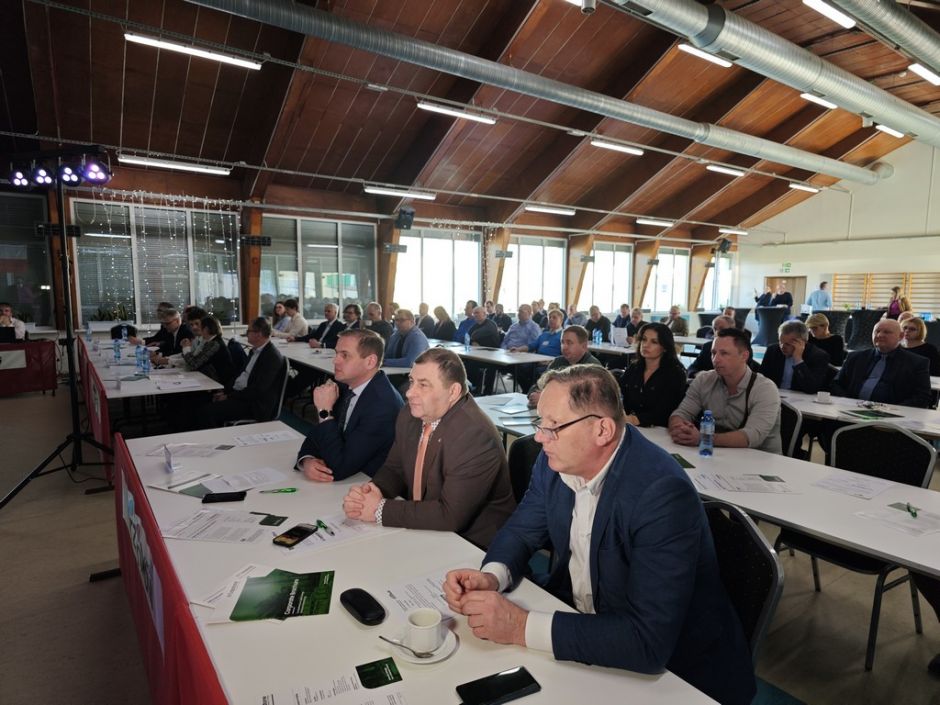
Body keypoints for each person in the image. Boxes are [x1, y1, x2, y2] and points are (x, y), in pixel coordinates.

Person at [443, 365, 756, 705]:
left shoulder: (661, 493)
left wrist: (519, 626)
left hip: (675, 670)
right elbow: (521, 530)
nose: (540, 437)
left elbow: (647, 640)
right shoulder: (553, 462)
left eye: (553, 426)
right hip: (585, 624)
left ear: (602, 429)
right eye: (540, 423)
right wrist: (492, 576)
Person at [342, 348, 516, 548]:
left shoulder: (474, 436)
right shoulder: (411, 414)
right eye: (412, 381)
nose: (409, 392)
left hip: (473, 542)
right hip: (425, 524)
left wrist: (379, 510)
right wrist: (374, 490)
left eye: (423, 385)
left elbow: (451, 516)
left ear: (453, 392)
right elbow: (395, 468)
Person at [295, 329, 404, 482]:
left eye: (345, 355)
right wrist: (307, 459)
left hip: (366, 484)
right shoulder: (346, 384)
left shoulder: (383, 406)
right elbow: (317, 434)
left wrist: (324, 411)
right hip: (344, 481)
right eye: (336, 353)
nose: (335, 361)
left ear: (370, 362)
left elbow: (339, 468)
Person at [669, 328, 782, 454]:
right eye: (713, 353)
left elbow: (751, 437)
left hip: (761, 459)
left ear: (744, 356)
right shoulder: (704, 380)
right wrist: (680, 428)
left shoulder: (765, 389)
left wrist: (703, 438)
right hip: (718, 455)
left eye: (724, 353)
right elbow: (681, 413)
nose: (715, 359)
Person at [198, 318, 285, 428]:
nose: (246, 334)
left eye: (248, 331)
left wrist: (229, 396)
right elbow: (240, 375)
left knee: (207, 411)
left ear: (258, 334)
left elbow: (257, 390)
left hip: (254, 404)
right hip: (241, 394)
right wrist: (225, 391)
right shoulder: (254, 351)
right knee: (202, 400)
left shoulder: (272, 357)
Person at [832, 319, 931, 407]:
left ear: (900, 336)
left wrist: (892, 410)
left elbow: (922, 397)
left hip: (892, 415)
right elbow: (836, 384)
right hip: (851, 409)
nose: (880, 335)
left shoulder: (916, 363)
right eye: (877, 331)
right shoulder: (855, 357)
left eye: (887, 332)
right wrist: (848, 402)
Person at [620, 322, 688, 427]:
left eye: (654, 342)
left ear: (665, 347)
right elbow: (620, 393)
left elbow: (666, 412)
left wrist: (634, 419)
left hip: (659, 429)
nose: (646, 345)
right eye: (644, 339)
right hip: (631, 426)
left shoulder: (675, 374)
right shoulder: (634, 368)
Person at [526, 326, 601, 406]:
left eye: (569, 343)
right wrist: (533, 394)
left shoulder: (593, 368)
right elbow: (539, 385)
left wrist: (546, 398)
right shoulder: (558, 362)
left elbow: (585, 400)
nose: (564, 347)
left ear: (584, 346)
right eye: (562, 342)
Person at [759, 320, 831, 394]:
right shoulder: (773, 350)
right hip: (774, 394)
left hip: (802, 399)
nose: (782, 347)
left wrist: (798, 360)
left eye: (788, 344)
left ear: (803, 342)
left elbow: (811, 388)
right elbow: (761, 379)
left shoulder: (818, 356)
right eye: (780, 342)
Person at [178, 314, 235, 387]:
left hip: (219, 384)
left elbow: (194, 365)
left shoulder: (214, 344)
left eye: (200, 327)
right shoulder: (212, 342)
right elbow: (196, 360)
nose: (197, 329)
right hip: (211, 379)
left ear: (206, 329)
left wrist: (186, 348)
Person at [464, 306, 503, 395]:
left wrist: (474, 340)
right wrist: (473, 341)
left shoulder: (491, 324)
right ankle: (474, 386)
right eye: (474, 313)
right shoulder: (476, 325)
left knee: (476, 365)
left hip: (492, 355)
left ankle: (484, 390)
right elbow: (468, 335)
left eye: (477, 313)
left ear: (484, 314)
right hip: (478, 354)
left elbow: (474, 335)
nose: (475, 315)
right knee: (465, 363)